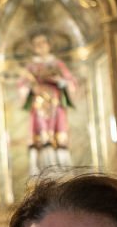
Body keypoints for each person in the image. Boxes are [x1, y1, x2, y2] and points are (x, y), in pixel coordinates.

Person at [17, 31, 77, 176]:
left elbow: (71, 82)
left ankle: (61, 170)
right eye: (37, 44)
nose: (40, 46)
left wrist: (59, 81)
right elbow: (22, 86)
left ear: (49, 45)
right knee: (41, 136)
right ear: (33, 47)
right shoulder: (30, 67)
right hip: (38, 106)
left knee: (58, 135)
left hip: (55, 105)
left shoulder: (57, 64)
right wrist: (31, 87)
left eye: (43, 43)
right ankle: (41, 170)